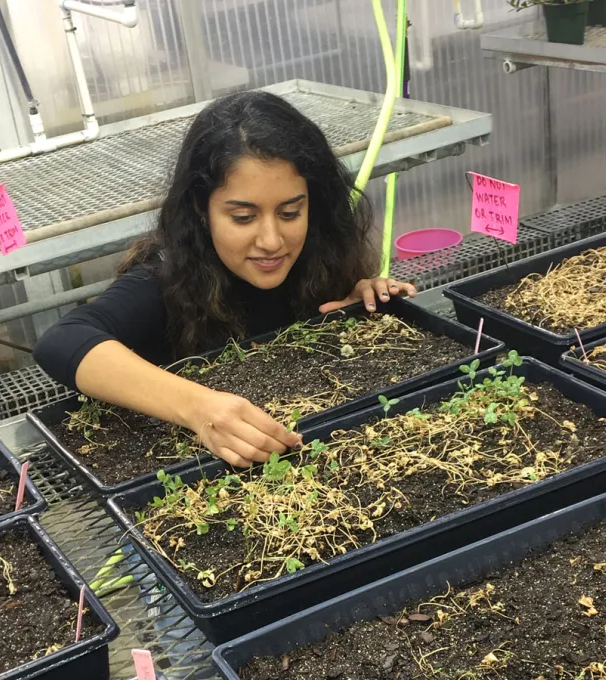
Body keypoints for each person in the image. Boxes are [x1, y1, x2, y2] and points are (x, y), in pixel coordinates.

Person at [34, 91, 416, 468]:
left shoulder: (318, 257)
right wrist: (196, 406)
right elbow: (62, 340)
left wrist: (356, 307)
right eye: (243, 218)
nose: (271, 241)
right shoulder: (163, 280)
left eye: (289, 213)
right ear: (201, 209)